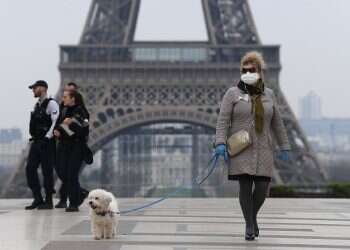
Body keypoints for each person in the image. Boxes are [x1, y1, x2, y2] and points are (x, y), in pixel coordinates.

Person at [214, 51, 291, 241]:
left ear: (259, 71)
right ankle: (249, 224)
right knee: (245, 187)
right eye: (244, 69)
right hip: (242, 147)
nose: (248, 72)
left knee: (263, 188)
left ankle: (252, 217)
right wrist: (220, 143)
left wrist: (285, 146)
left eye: (252, 69)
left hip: (263, 147)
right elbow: (223, 121)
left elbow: (278, 123)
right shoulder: (233, 93)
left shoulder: (269, 94)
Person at [25, 80, 59, 210]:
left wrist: (47, 137)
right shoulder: (37, 105)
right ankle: (38, 198)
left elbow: (55, 122)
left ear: (43, 88)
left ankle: (48, 200)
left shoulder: (51, 104)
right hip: (37, 141)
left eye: (35, 88)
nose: (33, 90)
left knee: (47, 171)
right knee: (30, 169)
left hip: (46, 142)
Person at [54, 82, 89, 209]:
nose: (62, 99)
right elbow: (58, 124)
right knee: (62, 173)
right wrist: (57, 130)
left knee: (72, 175)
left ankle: (73, 203)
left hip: (76, 147)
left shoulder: (82, 111)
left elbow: (84, 129)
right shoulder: (63, 110)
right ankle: (80, 193)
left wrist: (72, 122)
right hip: (63, 145)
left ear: (73, 98)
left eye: (65, 97)